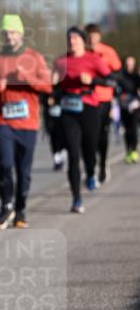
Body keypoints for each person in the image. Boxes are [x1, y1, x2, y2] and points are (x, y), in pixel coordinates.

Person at [0, 14, 52, 228]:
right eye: (5, 33)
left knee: (23, 170)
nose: (9, 37)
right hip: (3, 121)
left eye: (12, 32)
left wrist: (28, 79)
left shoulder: (35, 57)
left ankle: (21, 209)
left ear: (20, 34)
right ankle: (6, 206)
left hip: (28, 123)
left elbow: (48, 86)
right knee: (4, 164)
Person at [53, 27, 111, 213]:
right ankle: (76, 198)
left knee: (90, 148)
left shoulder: (94, 59)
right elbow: (51, 87)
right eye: (69, 38)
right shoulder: (61, 61)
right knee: (73, 153)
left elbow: (111, 81)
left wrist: (92, 81)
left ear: (83, 40)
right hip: (68, 109)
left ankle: (91, 172)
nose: (72, 41)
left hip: (89, 108)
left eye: (76, 38)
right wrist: (53, 85)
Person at [84, 23, 121, 184]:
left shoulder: (108, 52)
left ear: (99, 36)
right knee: (87, 136)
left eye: (94, 36)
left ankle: (103, 163)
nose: (92, 39)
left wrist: (100, 80)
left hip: (104, 98)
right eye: (89, 36)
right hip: (86, 99)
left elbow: (117, 73)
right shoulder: (81, 53)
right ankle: (90, 168)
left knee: (101, 135)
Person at [116, 55, 140, 163]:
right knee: (127, 130)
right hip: (123, 105)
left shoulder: (136, 76)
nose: (129, 65)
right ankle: (128, 151)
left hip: (134, 105)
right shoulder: (120, 76)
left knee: (133, 128)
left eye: (131, 63)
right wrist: (119, 94)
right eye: (127, 63)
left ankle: (134, 150)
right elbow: (115, 89)